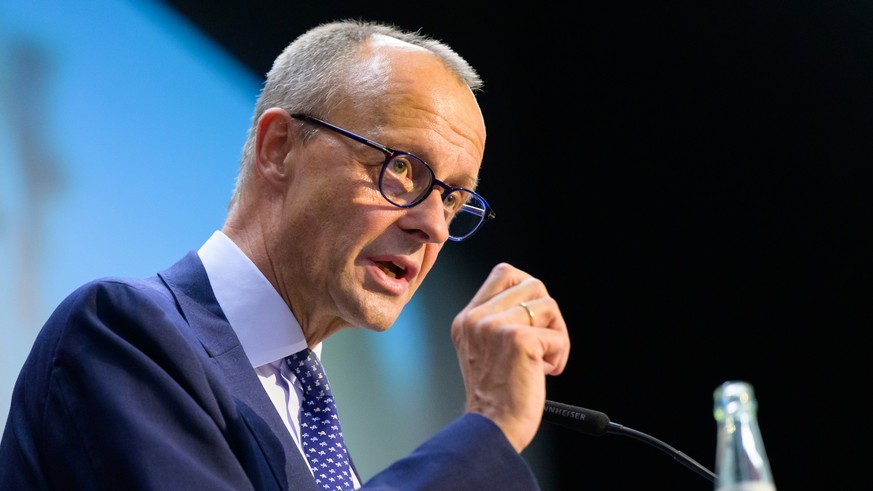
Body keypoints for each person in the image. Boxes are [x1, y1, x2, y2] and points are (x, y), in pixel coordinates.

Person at [0, 18, 570, 490]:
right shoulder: (121, 336)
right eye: (401, 168)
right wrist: (489, 428)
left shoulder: (310, 419)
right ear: (279, 148)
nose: (432, 226)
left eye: (453, 199)